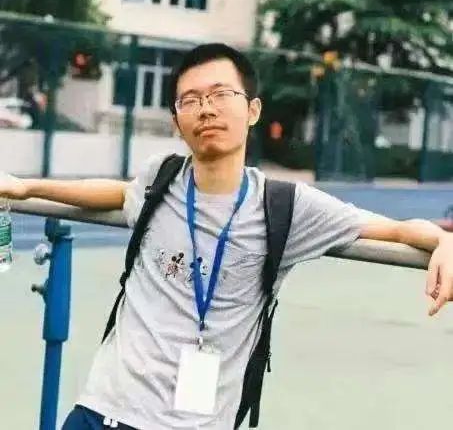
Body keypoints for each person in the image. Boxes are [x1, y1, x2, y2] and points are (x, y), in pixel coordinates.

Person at [1, 43, 452, 430]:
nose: (206, 108)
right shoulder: (160, 178)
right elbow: (118, 192)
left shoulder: (286, 206)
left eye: (221, 94)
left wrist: (443, 242)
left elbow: (395, 228)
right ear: (177, 120)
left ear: (253, 110)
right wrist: (25, 188)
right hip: (103, 411)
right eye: (190, 99)